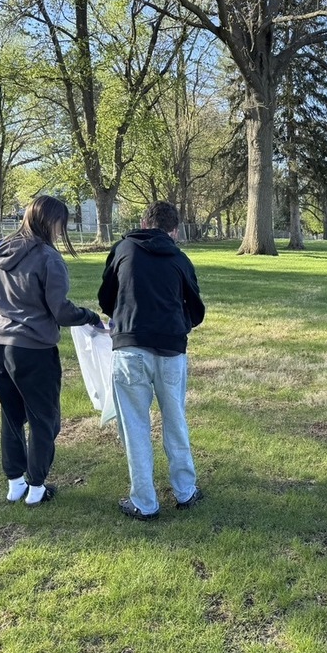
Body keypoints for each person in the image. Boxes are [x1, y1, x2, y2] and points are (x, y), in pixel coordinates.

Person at [0, 195, 103, 507]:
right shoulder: (49, 258)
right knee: (44, 420)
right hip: (32, 349)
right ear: (52, 222)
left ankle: (15, 483)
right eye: (61, 224)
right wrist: (89, 316)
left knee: (11, 417)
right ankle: (36, 488)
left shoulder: (3, 252)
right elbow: (61, 311)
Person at [97, 201, 205, 521]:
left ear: (144, 222)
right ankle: (185, 490)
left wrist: (124, 320)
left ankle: (145, 501)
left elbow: (107, 297)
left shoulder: (123, 250)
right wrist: (178, 325)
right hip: (171, 350)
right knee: (175, 420)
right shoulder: (180, 260)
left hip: (130, 348)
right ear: (174, 230)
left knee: (135, 426)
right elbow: (196, 309)